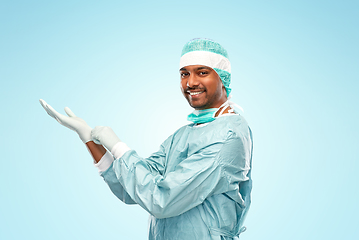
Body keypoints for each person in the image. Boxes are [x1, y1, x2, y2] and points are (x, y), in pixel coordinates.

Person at [40, 38, 253, 240]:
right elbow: (134, 188)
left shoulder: (229, 137)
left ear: (223, 77)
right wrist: (89, 139)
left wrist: (118, 146)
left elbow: (161, 200)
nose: (191, 82)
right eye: (184, 74)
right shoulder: (185, 135)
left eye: (202, 72)